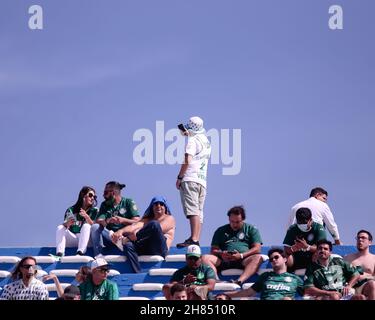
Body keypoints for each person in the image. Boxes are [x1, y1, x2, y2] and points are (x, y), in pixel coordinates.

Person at [202, 206, 263, 286]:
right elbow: (213, 250)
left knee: (258, 258)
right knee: (205, 258)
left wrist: (241, 255)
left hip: (243, 260)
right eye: (232, 221)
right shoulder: (220, 230)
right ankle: (216, 280)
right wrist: (222, 253)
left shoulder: (251, 229)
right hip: (224, 260)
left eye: (237, 222)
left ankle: (239, 281)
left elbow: (257, 248)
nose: (234, 224)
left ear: (243, 219)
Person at [176, 116, 211, 248]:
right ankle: (195, 237)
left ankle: (194, 239)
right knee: (199, 211)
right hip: (202, 181)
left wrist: (180, 177)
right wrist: (187, 133)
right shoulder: (206, 141)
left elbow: (188, 158)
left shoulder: (192, 140)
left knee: (192, 210)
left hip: (190, 178)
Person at [121, 196, 176, 273]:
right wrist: (120, 232)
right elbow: (133, 227)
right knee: (128, 245)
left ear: (165, 207)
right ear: (152, 207)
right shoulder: (147, 220)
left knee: (154, 224)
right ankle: (137, 272)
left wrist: (134, 234)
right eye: (156, 204)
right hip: (146, 246)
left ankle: (129, 238)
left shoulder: (170, 218)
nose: (158, 206)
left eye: (161, 204)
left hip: (160, 249)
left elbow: (158, 228)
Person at [223, 248, 304, 300]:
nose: (274, 260)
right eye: (271, 259)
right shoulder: (265, 276)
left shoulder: (295, 278)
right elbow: (248, 292)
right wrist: (225, 294)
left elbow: (308, 293)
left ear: (285, 259)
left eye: (276, 257)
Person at [91, 181, 140, 257]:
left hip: (124, 236)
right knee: (95, 227)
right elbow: (99, 220)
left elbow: (137, 222)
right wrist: (107, 221)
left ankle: (119, 240)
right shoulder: (104, 205)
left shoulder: (128, 202)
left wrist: (123, 220)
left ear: (113, 193)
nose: (103, 195)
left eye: (106, 192)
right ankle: (98, 256)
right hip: (109, 236)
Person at [56, 186, 99, 256]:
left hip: (88, 240)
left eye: (94, 197)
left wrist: (87, 218)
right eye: (90, 195)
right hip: (74, 238)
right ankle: (60, 253)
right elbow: (64, 226)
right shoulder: (71, 210)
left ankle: (80, 252)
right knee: (60, 227)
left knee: (86, 226)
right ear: (83, 195)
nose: (92, 198)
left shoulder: (95, 211)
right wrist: (67, 223)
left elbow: (97, 228)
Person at [344, 230, 375, 300]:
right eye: (358, 238)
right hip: (350, 288)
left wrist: (364, 276)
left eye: (363, 238)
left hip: (366, 287)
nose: (360, 240)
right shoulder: (347, 258)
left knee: (372, 284)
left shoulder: (374, 259)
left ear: (370, 242)